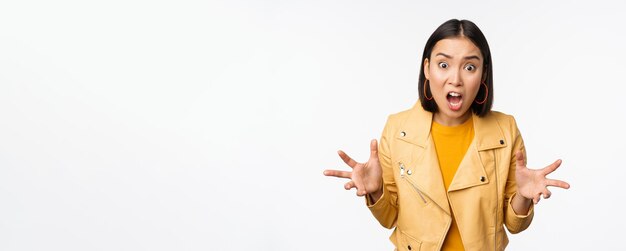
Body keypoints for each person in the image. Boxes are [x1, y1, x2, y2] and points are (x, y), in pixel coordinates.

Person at [323, 19, 570, 251]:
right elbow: (389, 218)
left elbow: (514, 225)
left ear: (483, 74)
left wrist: (523, 197)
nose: (456, 79)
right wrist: (375, 192)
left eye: (470, 67)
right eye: (444, 65)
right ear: (427, 68)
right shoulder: (397, 129)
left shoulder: (505, 129)